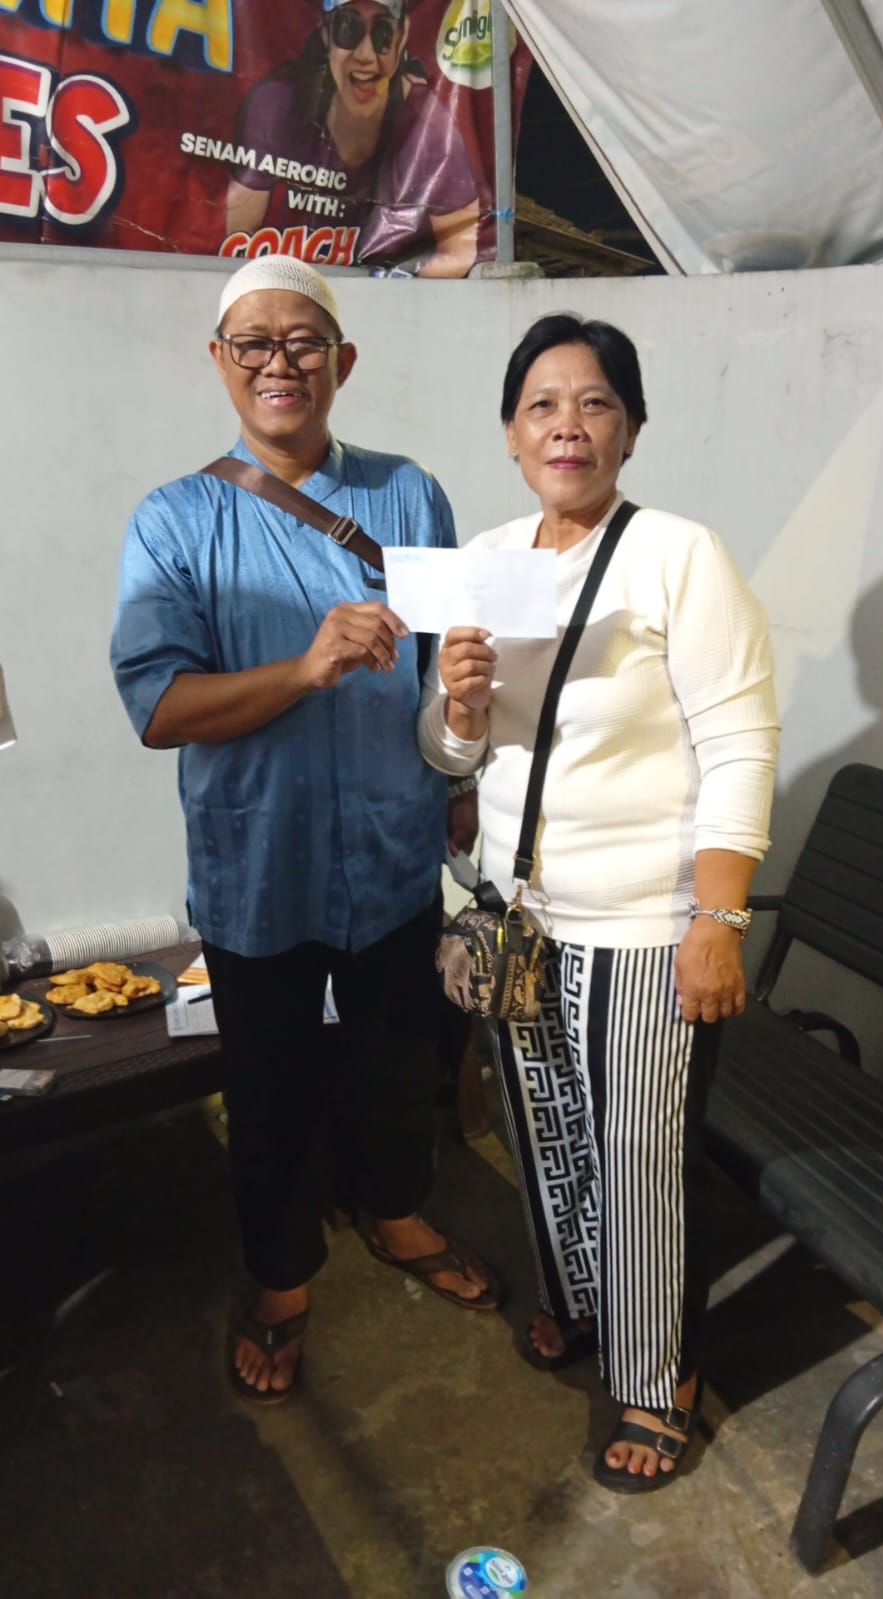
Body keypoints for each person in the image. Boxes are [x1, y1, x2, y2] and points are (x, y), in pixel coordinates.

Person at [110, 255, 500, 1407]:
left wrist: (466, 750)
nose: (279, 363)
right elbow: (159, 709)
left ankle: (396, 1212)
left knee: (398, 1064)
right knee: (270, 1089)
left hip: (391, 853)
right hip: (258, 865)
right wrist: (305, 667)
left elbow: (437, 674)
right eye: (254, 343)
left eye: (303, 341)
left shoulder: (408, 496)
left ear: (342, 361)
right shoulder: (175, 522)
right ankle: (281, 1282)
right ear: (220, 362)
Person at [418, 313, 780, 1490]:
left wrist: (717, 920)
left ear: (628, 428)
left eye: (593, 403)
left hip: (642, 924)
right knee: (549, 1137)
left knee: (636, 1154)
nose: (565, 425)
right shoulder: (489, 559)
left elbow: (738, 743)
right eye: (541, 404)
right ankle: (584, 1306)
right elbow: (451, 755)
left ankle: (654, 1375)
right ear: (509, 432)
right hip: (524, 918)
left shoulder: (677, 555)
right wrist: (456, 706)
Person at [226, 0, 480, 277]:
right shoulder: (279, 104)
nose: (365, 55)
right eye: (349, 29)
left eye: (383, 34)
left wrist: (385, 293)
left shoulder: (427, 125)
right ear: (326, 34)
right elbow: (237, 238)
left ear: (402, 38)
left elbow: (462, 250)